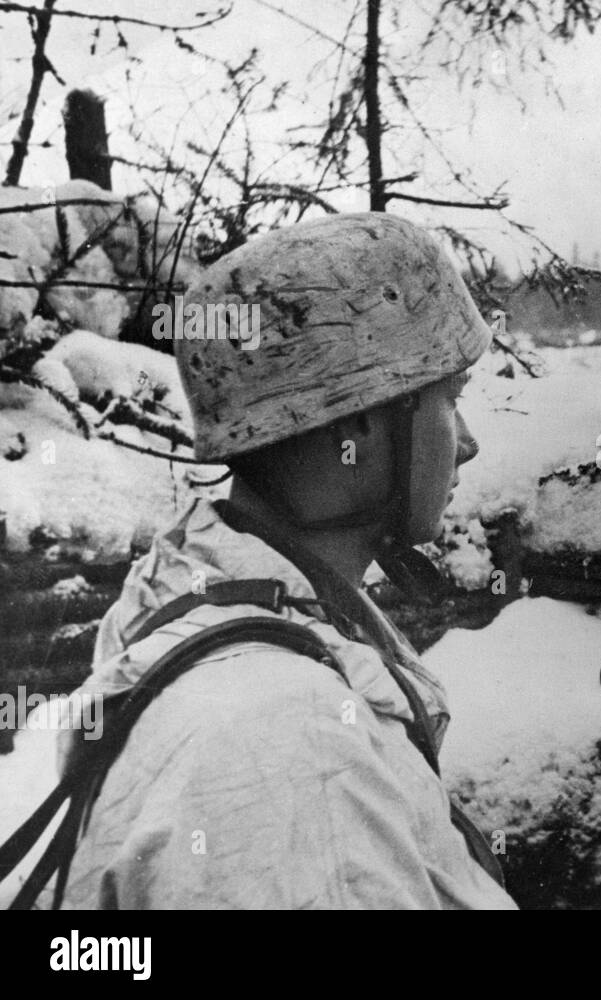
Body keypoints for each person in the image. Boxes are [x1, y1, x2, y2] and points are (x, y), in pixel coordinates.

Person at [53, 213, 517, 909]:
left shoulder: (213, 620)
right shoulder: (290, 751)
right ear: (361, 418)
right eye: (450, 398)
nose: (469, 442)